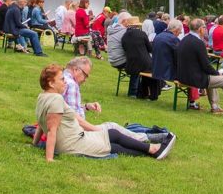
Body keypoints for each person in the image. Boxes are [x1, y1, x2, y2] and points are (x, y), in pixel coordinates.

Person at [34, 63, 174, 161]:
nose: (65, 82)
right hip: (73, 144)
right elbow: (51, 130)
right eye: (61, 79)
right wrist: (49, 158)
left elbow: (41, 125)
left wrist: (34, 144)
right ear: (51, 83)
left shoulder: (43, 97)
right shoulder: (56, 100)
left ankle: (152, 149)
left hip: (75, 138)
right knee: (114, 144)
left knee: (113, 135)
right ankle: (153, 150)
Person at [61, 56, 168, 144]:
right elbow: (74, 118)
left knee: (115, 128)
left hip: (70, 131)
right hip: (77, 133)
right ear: (76, 70)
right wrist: (94, 129)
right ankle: (148, 138)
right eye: (85, 75)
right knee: (113, 128)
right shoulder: (72, 85)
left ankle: (148, 136)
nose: (85, 79)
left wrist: (86, 106)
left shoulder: (63, 78)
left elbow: (68, 110)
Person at [177, 18, 223, 118]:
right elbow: (206, 65)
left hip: (182, 75)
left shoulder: (184, 39)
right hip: (194, 78)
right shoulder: (198, 43)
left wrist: (214, 72)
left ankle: (215, 107)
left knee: (212, 76)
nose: (205, 30)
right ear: (201, 29)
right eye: (204, 28)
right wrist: (217, 73)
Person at [121, 16, 158, 99]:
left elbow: (124, 48)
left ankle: (133, 92)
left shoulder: (124, 36)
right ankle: (149, 92)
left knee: (137, 70)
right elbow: (150, 49)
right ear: (137, 25)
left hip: (130, 64)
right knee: (153, 70)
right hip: (144, 63)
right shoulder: (142, 34)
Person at [151, 19, 182, 89]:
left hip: (155, 69)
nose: (180, 33)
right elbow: (179, 57)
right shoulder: (174, 39)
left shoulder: (158, 36)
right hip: (166, 72)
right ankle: (193, 98)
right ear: (176, 30)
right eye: (180, 31)